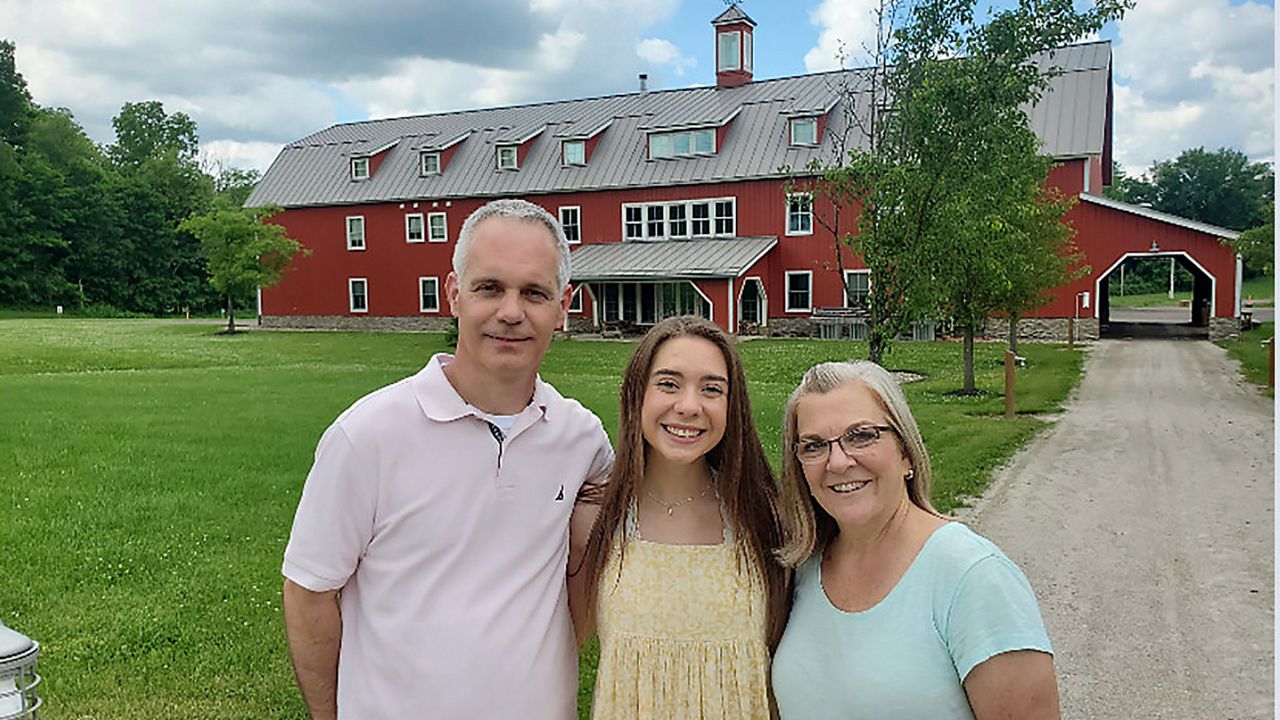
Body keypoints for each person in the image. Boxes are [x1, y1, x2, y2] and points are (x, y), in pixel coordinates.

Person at [281, 198, 613, 720]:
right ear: (454, 294)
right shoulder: (367, 435)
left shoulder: (581, 440)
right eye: (489, 288)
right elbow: (309, 593)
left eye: (533, 292)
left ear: (564, 305)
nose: (511, 311)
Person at [770, 360, 1059, 720]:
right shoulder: (802, 569)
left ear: (905, 451)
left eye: (861, 435)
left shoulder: (974, 578)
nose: (838, 462)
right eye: (813, 446)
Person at [571, 316, 789, 720]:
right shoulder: (596, 520)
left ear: (732, 406)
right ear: (637, 394)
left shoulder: (766, 520)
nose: (689, 406)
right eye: (668, 384)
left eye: (711, 389)